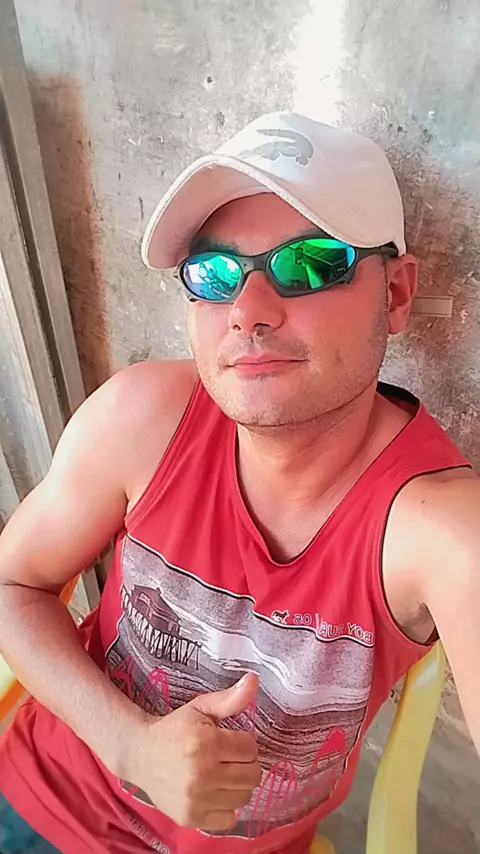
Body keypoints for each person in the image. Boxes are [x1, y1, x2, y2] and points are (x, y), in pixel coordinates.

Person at [0, 111, 478, 854]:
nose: (248, 312)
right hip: (44, 801)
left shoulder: (438, 530)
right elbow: (12, 586)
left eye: (311, 263)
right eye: (214, 274)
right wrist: (131, 745)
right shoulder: (141, 419)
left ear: (395, 294)